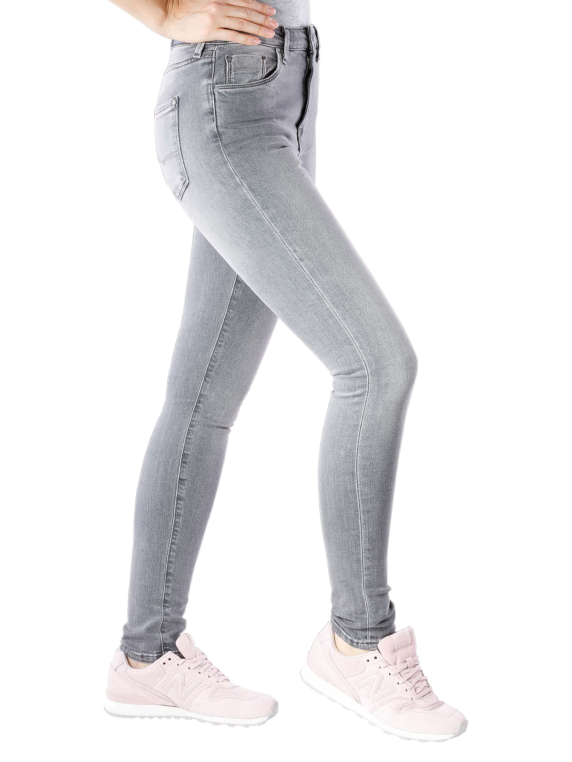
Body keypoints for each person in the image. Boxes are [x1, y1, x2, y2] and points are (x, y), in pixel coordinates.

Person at [102, 0, 469, 740]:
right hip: (224, 97)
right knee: (376, 364)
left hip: (290, 90)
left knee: (203, 399)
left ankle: (147, 657)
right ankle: (358, 642)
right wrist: (165, 11)